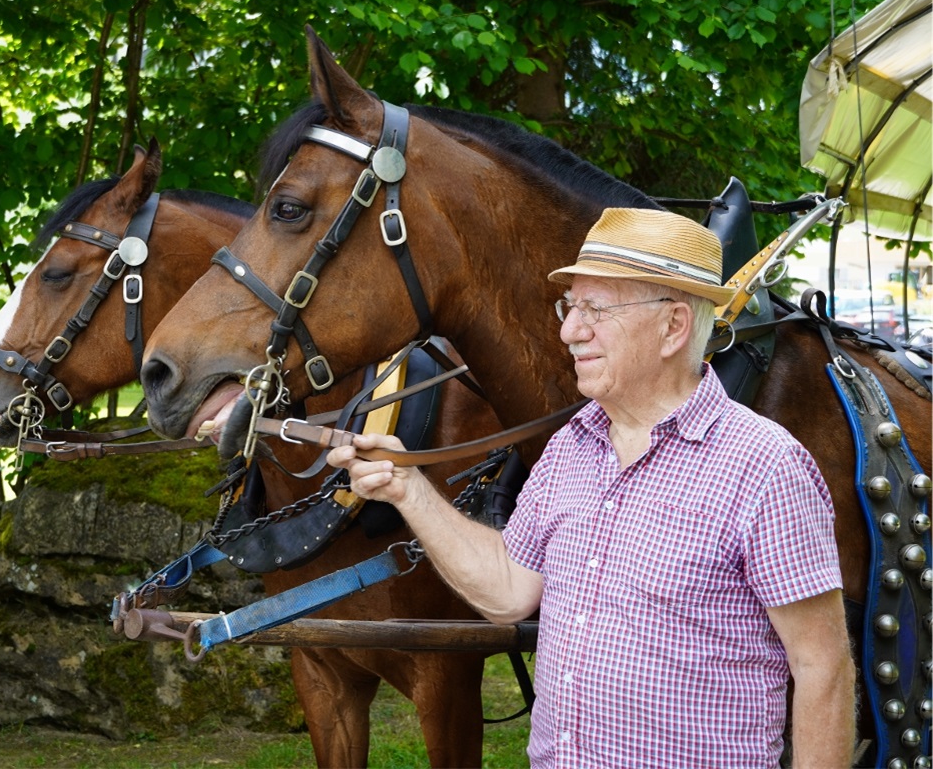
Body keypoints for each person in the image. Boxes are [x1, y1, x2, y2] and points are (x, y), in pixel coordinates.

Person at [327, 208, 856, 768]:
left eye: (595, 309)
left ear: (673, 326)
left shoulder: (765, 467)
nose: (568, 330)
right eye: (570, 306)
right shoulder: (569, 449)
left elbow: (822, 665)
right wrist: (409, 488)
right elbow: (509, 588)